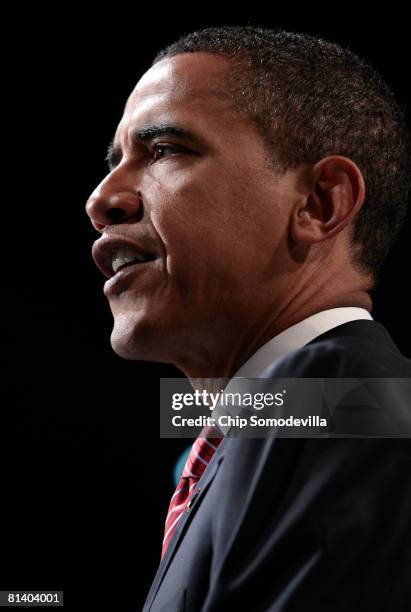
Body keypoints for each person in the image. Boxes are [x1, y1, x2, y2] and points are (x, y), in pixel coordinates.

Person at [85, 25, 411, 611]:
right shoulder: (272, 423)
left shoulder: (339, 402)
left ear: (319, 203)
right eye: (115, 161)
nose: (102, 199)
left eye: (164, 150)